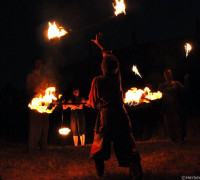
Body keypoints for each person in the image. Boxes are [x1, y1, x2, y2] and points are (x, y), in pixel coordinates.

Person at [87, 33, 143, 180]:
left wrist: (91, 103)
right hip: (121, 114)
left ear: (102, 67)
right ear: (116, 68)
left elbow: (92, 103)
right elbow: (110, 57)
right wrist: (101, 45)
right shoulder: (117, 77)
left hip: (106, 117)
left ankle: (100, 171)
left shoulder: (97, 81)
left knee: (99, 145)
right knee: (126, 142)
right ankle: (136, 172)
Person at [158, 68, 189, 144]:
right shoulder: (162, 85)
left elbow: (184, 90)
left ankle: (180, 139)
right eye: (166, 74)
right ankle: (174, 140)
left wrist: (186, 80)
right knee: (169, 124)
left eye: (169, 73)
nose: (168, 75)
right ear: (164, 76)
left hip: (175, 106)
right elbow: (157, 96)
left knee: (177, 123)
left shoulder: (176, 83)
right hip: (166, 107)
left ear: (171, 74)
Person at [26, 59, 49, 152]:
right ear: (34, 65)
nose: (39, 65)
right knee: (35, 126)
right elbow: (27, 89)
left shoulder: (44, 78)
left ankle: (43, 147)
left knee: (45, 125)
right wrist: (36, 91)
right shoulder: (30, 76)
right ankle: (32, 147)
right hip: (35, 104)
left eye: (40, 63)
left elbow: (47, 90)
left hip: (45, 104)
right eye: (37, 63)